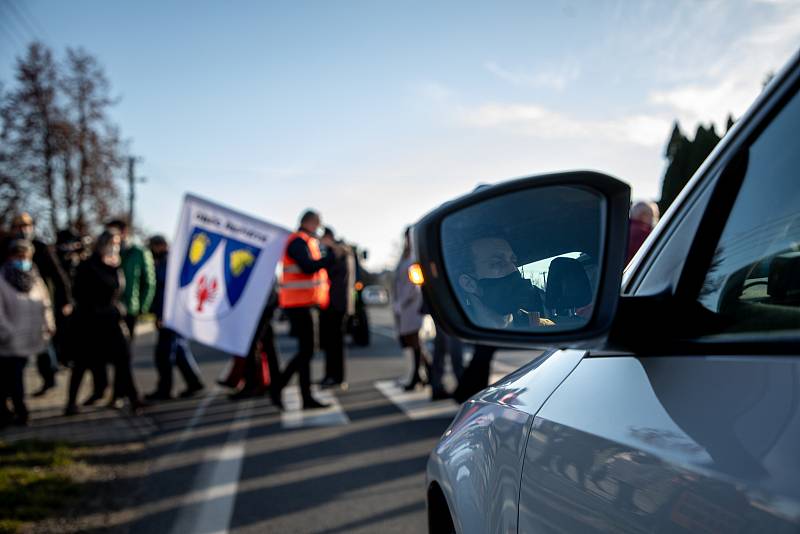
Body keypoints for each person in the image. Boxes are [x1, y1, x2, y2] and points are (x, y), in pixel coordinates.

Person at [65, 229, 143, 415]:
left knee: (123, 359)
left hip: (112, 319)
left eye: (117, 243)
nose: (115, 246)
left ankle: (134, 399)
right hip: (90, 321)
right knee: (82, 362)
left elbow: (117, 291)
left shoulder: (116, 264)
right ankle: (70, 403)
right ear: (103, 244)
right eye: (112, 243)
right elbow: (78, 292)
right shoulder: (89, 265)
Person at [2, 213, 72, 396]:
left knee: (43, 344)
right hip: (12, 305)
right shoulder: (6, 248)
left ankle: (49, 376)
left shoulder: (41, 248)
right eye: (19, 227)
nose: (23, 230)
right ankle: (13, 393)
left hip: (36, 303)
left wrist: (66, 300)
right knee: (14, 353)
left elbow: (58, 276)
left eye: (27, 226)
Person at [273, 210, 335, 410]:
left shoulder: (305, 241)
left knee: (306, 351)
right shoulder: (298, 241)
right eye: (317, 224)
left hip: (304, 303)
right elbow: (308, 267)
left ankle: (303, 395)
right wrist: (331, 254)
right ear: (310, 222)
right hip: (298, 304)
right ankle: (279, 387)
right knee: (307, 351)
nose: (318, 229)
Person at [0, 239, 55, 426]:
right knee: (13, 376)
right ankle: (19, 411)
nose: (23, 260)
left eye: (27, 257)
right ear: (11, 256)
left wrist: (48, 324)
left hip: (30, 335)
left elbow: (45, 303)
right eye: (20, 256)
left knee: (14, 375)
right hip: (10, 338)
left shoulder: (35, 278)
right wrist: (7, 332)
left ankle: (12, 410)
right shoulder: (2, 279)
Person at [144, 235, 204, 401]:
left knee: (164, 354)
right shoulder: (171, 260)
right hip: (174, 314)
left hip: (170, 315)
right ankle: (194, 382)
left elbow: (165, 290)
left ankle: (165, 389)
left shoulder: (167, 263)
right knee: (178, 350)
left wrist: (162, 314)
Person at [393, 227, 431, 391]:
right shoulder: (404, 256)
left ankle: (417, 376)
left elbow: (415, 285)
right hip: (403, 306)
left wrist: (402, 302)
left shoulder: (415, 258)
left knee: (415, 342)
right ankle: (428, 373)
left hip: (413, 305)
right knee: (411, 342)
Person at [106, 219, 155, 343]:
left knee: (124, 351)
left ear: (124, 232)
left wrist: (142, 307)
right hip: (107, 309)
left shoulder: (139, 253)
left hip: (129, 308)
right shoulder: (104, 253)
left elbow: (149, 282)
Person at [319, 227, 355, 388]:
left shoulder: (338, 252)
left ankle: (336, 377)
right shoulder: (341, 252)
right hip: (337, 303)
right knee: (332, 343)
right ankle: (331, 375)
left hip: (336, 304)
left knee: (334, 343)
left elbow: (330, 275)